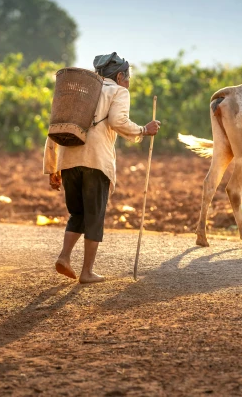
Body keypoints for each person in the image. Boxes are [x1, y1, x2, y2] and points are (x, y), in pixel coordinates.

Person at [44, 52, 160, 283]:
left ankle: (64, 257)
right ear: (119, 76)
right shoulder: (118, 91)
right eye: (128, 78)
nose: (128, 82)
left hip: (68, 160)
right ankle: (87, 272)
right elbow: (118, 121)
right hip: (96, 161)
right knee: (95, 215)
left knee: (77, 213)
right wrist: (144, 130)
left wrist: (52, 168)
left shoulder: (79, 91)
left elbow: (55, 128)